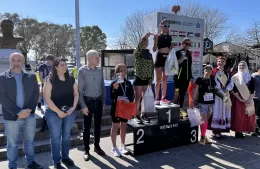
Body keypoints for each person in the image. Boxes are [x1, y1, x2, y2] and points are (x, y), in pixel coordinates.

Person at [0, 53, 42, 169]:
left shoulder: (31, 76)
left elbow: (35, 93)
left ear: (23, 62)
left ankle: (31, 162)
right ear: (10, 62)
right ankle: (12, 166)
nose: (16, 63)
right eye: (13, 60)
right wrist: (18, 112)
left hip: (29, 115)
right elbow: (2, 97)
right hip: (11, 117)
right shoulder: (2, 77)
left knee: (29, 142)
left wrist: (28, 110)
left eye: (19, 60)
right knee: (12, 144)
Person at [43, 58, 79, 169]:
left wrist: (72, 108)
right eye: (62, 65)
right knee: (55, 137)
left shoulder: (71, 79)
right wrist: (58, 112)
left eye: (65, 65)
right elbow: (47, 98)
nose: (65, 67)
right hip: (53, 113)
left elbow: (76, 94)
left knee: (67, 136)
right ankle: (57, 160)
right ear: (56, 67)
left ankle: (65, 157)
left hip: (69, 112)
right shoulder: (50, 80)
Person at [78, 50, 106, 161]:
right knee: (87, 127)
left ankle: (97, 146)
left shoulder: (100, 70)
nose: (98, 59)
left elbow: (102, 86)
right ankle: (86, 150)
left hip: (98, 101)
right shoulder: (82, 71)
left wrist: (103, 101)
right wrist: (83, 105)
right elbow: (79, 90)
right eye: (96, 58)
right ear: (89, 59)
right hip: (88, 102)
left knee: (98, 126)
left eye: (98, 58)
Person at [110, 64, 134, 157]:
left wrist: (129, 100)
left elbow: (131, 95)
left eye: (125, 70)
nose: (123, 72)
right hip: (116, 108)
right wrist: (115, 89)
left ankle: (122, 145)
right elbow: (112, 97)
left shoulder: (128, 83)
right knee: (115, 126)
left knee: (123, 125)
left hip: (125, 108)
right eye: (121, 70)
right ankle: (114, 147)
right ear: (117, 73)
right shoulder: (114, 83)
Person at [190, 65, 215, 145]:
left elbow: (215, 90)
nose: (208, 71)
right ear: (203, 70)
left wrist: (223, 97)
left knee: (206, 120)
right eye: (206, 69)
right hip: (202, 102)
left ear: (212, 71)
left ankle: (204, 136)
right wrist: (192, 101)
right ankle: (202, 138)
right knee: (203, 120)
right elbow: (196, 90)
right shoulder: (200, 79)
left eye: (209, 69)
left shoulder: (212, 79)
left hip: (211, 102)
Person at [133, 32, 154, 124]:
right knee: (138, 98)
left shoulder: (149, 54)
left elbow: (151, 67)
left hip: (146, 79)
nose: (146, 42)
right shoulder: (138, 52)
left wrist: (150, 80)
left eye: (147, 41)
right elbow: (137, 49)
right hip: (139, 78)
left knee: (145, 97)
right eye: (144, 41)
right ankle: (135, 114)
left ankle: (143, 114)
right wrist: (145, 37)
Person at [231, 61, 255, 138]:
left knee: (248, 114)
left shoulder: (250, 77)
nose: (241, 67)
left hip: (248, 98)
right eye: (240, 65)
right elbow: (233, 90)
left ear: (246, 67)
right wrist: (240, 99)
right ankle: (238, 131)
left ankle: (246, 129)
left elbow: (252, 89)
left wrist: (249, 99)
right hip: (238, 99)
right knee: (238, 115)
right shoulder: (235, 77)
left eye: (243, 65)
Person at [211, 56, 234, 139]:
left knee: (225, 111)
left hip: (225, 94)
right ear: (217, 62)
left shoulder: (227, 72)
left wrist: (227, 89)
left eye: (222, 61)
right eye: (219, 61)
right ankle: (215, 131)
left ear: (225, 63)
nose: (220, 63)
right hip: (217, 95)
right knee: (216, 112)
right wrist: (220, 91)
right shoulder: (214, 72)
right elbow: (213, 83)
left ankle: (221, 130)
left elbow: (231, 82)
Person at [153, 19, 172, 105]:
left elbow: (169, 47)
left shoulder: (169, 37)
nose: (166, 27)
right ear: (161, 26)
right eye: (165, 25)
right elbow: (154, 49)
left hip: (167, 59)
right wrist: (156, 40)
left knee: (165, 79)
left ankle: (163, 98)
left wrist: (171, 48)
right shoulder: (158, 36)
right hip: (160, 57)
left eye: (168, 26)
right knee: (158, 79)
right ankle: (156, 98)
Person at [38, 55, 55, 132]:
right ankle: (44, 125)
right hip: (45, 86)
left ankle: (48, 124)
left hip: (54, 87)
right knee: (46, 105)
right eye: (48, 60)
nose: (49, 62)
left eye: (51, 60)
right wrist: (45, 85)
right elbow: (41, 77)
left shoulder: (54, 66)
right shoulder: (42, 66)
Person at [175, 38, 193, 108]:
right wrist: (181, 59)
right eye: (186, 44)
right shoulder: (177, 53)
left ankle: (180, 109)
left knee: (182, 94)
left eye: (189, 44)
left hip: (186, 77)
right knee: (176, 93)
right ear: (182, 44)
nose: (188, 45)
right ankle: (175, 109)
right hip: (178, 77)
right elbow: (174, 64)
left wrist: (190, 76)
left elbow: (189, 66)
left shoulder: (189, 53)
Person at [252, 66, 260, 136]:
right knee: (254, 114)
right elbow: (250, 86)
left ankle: (257, 128)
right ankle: (254, 129)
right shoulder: (254, 76)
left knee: (258, 115)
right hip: (255, 98)